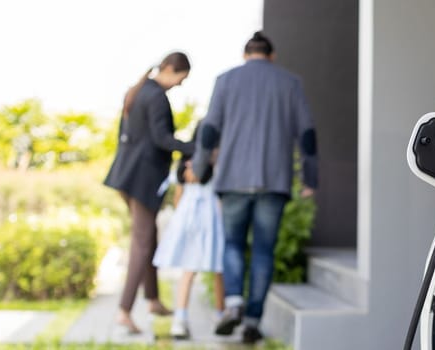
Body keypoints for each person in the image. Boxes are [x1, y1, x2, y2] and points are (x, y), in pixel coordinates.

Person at [191, 31, 318, 344]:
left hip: (232, 180)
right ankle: (251, 321)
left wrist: (199, 167)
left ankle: (233, 304)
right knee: (263, 251)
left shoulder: (225, 80)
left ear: (245, 54)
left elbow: (209, 130)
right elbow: (307, 134)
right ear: (271, 55)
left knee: (233, 245)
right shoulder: (290, 83)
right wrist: (310, 178)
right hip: (273, 182)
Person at [104, 51, 194, 334]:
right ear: (170, 69)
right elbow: (161, 139)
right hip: (142, 179)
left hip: (126, 175)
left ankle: (153, 299)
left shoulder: (138, 90)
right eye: (180, 79)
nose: (179, 85)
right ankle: (124, 310)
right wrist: (196, 148)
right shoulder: (155, 96)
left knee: (148, 237)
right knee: (142, 244)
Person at [152, 132, 225, 340]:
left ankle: (180, 320)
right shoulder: (217, 161)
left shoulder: (185, 162)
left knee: (188, 270)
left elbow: (178, 196)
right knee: (219, 268)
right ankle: (220, 316)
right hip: (212, 217)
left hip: (188, 218)